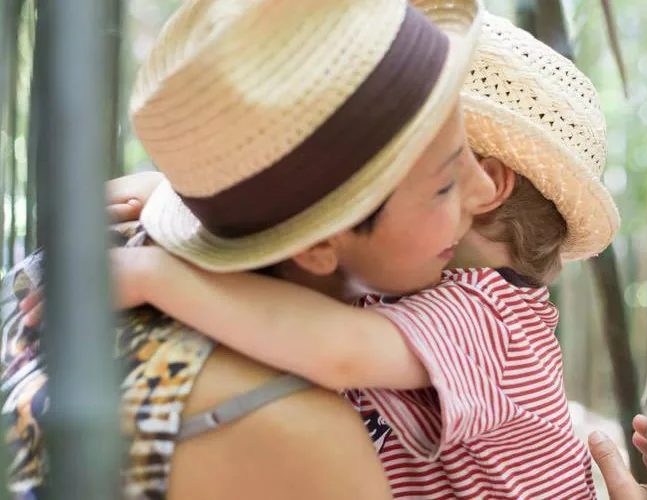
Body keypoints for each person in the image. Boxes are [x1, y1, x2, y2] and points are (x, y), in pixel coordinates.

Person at [52, 13, 619, 499]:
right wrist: (196, 200)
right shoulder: (417, 286)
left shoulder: (492, 321)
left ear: (484, 184)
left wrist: (159, 277)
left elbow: (338, 350)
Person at [0, 0, 490, 498]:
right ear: (319, 244)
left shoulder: (97, 256)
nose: (487, 191)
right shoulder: (295, 434)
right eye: (445, 183)